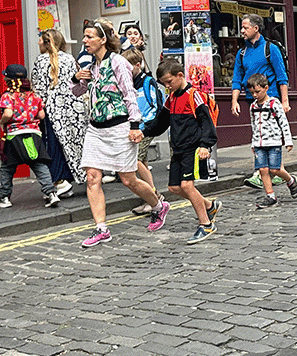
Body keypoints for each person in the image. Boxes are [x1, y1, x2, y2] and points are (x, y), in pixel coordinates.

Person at [72, 19, 169, 248]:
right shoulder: (91, 66)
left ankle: (158, 205)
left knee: (128, 180)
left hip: (119, 128)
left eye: (89, 37)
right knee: (92, 177)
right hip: (95, 129)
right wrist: (76, 79)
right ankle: (101, 228)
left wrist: (135, 126)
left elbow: (129, 94)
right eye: (84, 36)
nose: (85, 41)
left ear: (103, 39)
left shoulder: (118, 62)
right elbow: (77, 92)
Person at [151, 59, 221, 244]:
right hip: (178, 149)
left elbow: (207, 122)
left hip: (193, 147)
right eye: (164, 83)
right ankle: (208, 205)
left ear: (179, 76)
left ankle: (206, 224)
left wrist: (206, 145)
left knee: (188, 186)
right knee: (174, 187)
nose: (167, 86)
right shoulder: (171, 98)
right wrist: (142, 132)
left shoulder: (194, 95)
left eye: (169, 81)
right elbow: (161, 122)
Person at [0, 64, 59, 209]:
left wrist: (2, 121)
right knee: (39, 164)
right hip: (34, 135)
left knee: (7, 167)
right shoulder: (34, 95)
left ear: (8, 79)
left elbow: (8, 114)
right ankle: (51, 193)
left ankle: (4, 197)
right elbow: (41, 115)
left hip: (14, 136)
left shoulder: (7, 96)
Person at [32, 29, 87, 197]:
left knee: (53, 146)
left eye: (41, 40)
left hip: (52, 110)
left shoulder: (41, 61)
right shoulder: (70, 59)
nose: (39, 43)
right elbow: (78, 83)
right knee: (74, 143)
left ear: (48, 43)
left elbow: (39, 90)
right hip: (73, 109)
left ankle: (60, 181)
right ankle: (80, 176)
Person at [247, 72, 297, 207]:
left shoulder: (274, 104)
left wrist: (288, 140)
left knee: (275, 170)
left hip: (274, 142)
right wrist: (253, 143)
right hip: (259, 143)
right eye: (252, 92)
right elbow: (254, 126)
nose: (254, 95)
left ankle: (291, 180)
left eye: (257, 92)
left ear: (266, 88)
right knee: (263, 170)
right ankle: (270, 196)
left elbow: (283, 122)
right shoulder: (252, 107)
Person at [124, 49, 165, 216]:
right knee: (144, 163)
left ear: (138, 65)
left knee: (136, 160)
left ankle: (155, 195)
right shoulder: (128, 84)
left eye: (128, 67)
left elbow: (155, 106)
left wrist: (144, 125)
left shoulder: (148, 82)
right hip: (134, 128)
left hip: (147, 127)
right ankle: (148, 199)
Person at [229, 13, 290, 115]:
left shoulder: (271, 48)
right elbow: (237, 79)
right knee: (258, 130)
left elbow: (282, 76)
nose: (242, 31)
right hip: (251, 99)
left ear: (256, 28)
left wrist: (285, 101)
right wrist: (234, 101)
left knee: (272, 130)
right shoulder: (241, 53)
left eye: (245, 28)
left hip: (270, 98)